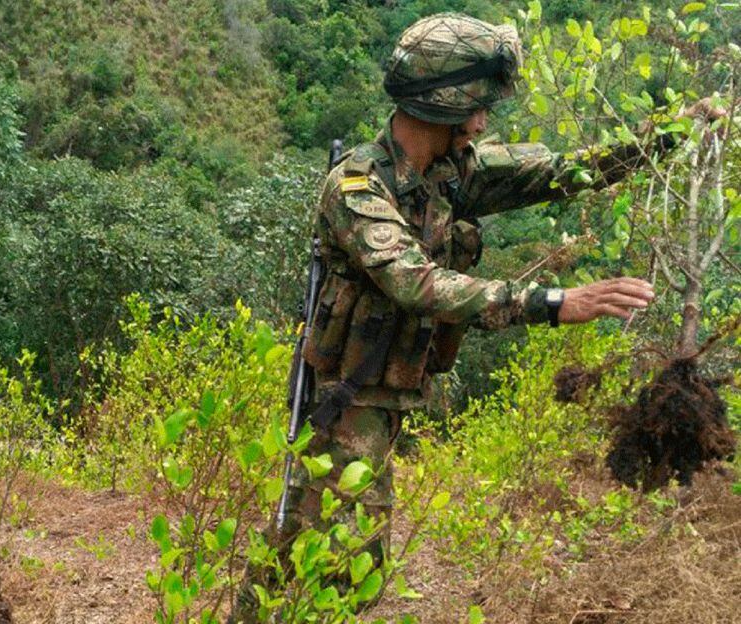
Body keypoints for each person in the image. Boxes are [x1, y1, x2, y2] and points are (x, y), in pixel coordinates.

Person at [231, 12, 677, 622]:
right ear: (441, 107)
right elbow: (415, 281)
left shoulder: (450, 173)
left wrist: (667, 136)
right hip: (346, 398)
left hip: (384, 394)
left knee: (302, 546)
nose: (483, 121)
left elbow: (561, 171)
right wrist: (551, 303)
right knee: (343, 566)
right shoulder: (358, 187)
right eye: (476, 109)